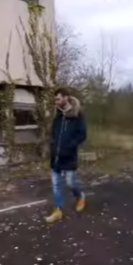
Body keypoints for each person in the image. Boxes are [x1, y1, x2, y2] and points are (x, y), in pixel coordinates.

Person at [46, 87, 87, 223]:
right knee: (56, 185)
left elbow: (82, 135)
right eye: (55, 99)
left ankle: (80, 196)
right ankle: (58, 211)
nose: (56, 102)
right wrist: (52, 146)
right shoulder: (57, 115)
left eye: (58, 99)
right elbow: (53, 133)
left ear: (66, 97)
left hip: (69, 157)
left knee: (70, 183)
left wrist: (69, 147)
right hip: (55, 157)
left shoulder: (77, 115)